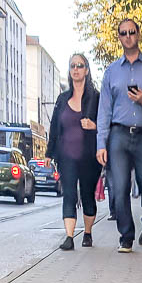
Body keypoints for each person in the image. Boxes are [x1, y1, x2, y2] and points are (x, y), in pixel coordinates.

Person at [97, 18, 142, 253]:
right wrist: (101, 142)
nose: (127, 36)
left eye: (131, 32)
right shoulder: (111, 72)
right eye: (123, 33)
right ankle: (126, 236)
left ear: (138, 34)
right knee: (119, 188)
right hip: (118, 134)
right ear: (118, 37)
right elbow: (104, 110)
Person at [47, 53, 100, 251]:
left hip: (89, 157)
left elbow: (106, 124)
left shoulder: (96, 98)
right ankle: (69, 237)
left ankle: (87, 232)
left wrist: (94, 125)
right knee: (68, 193)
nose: (76, 69)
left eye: (80, 65)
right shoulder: (62, 99)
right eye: (72, 66)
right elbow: (54, 128)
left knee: (87, 195)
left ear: (86, 70)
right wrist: (49, 153)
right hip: (66, 156)